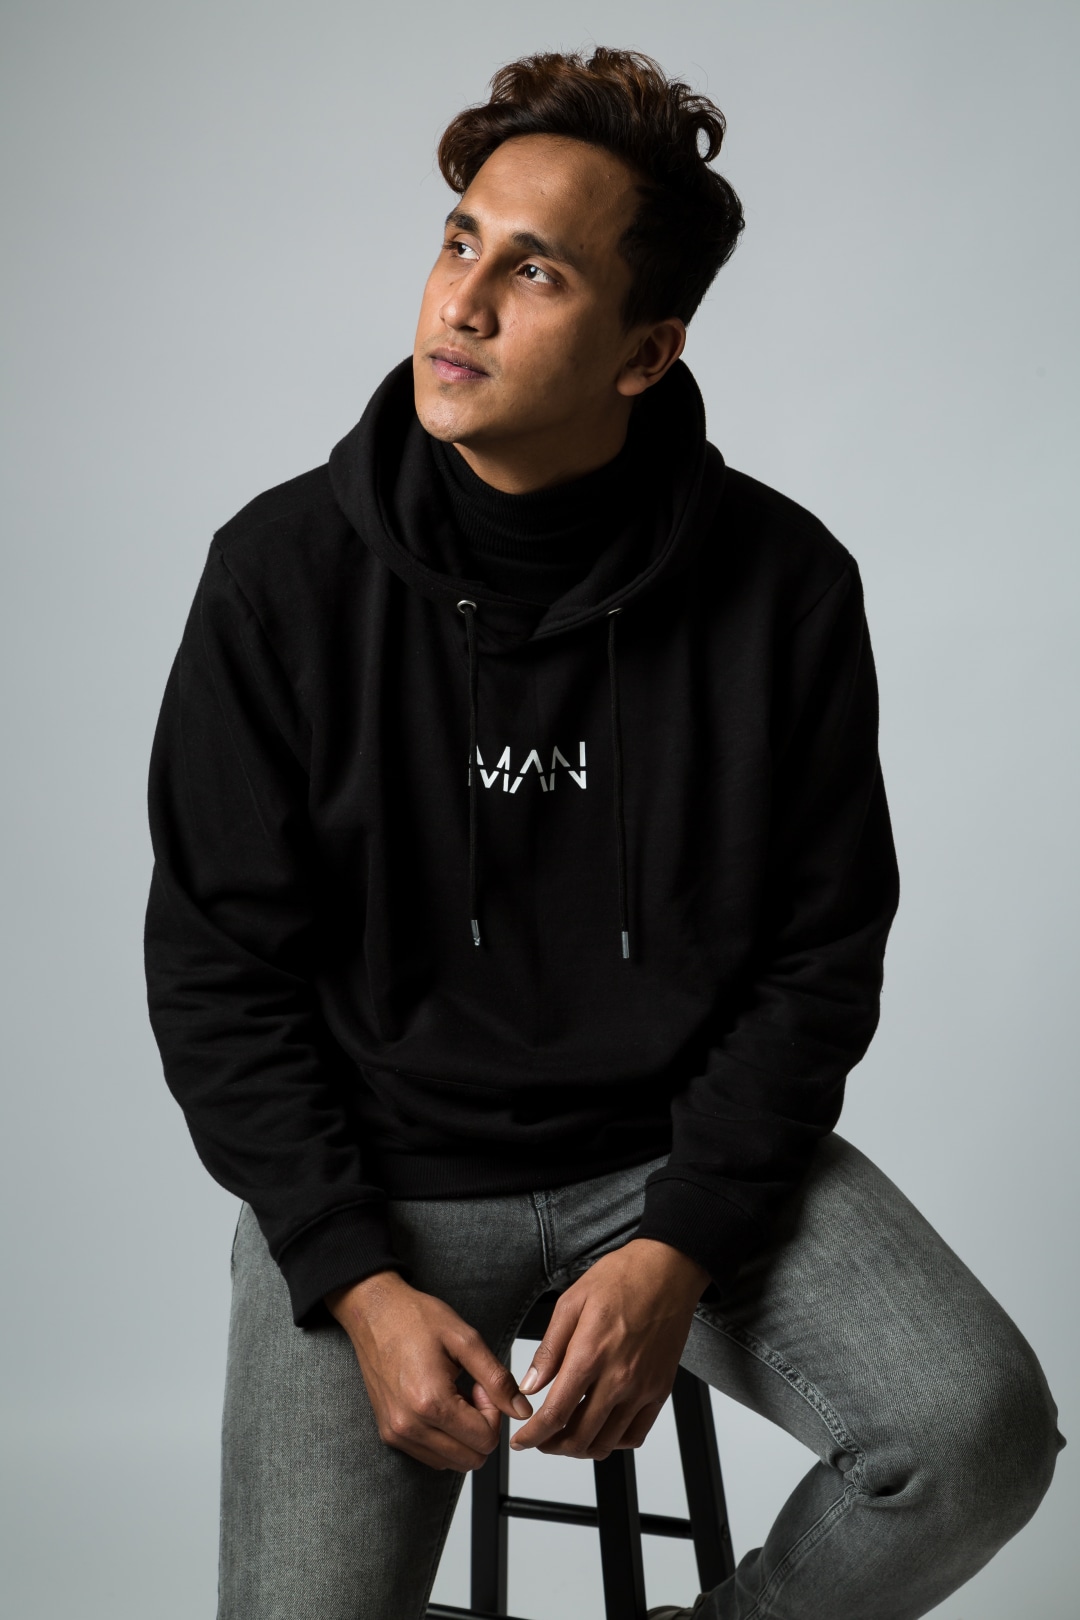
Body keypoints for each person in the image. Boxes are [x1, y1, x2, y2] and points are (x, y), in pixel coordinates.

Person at [143, 45, 1064, 1620]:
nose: (462, 302)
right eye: (459, 241)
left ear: (646, 353)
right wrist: (352, 1277)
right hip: (384, 1174)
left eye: (535, 269)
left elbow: (821, 956)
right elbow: (217, 971)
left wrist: (681, 1241)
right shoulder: (278, 577)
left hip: (673, 1156)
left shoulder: (785, 588)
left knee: (975, 1437)